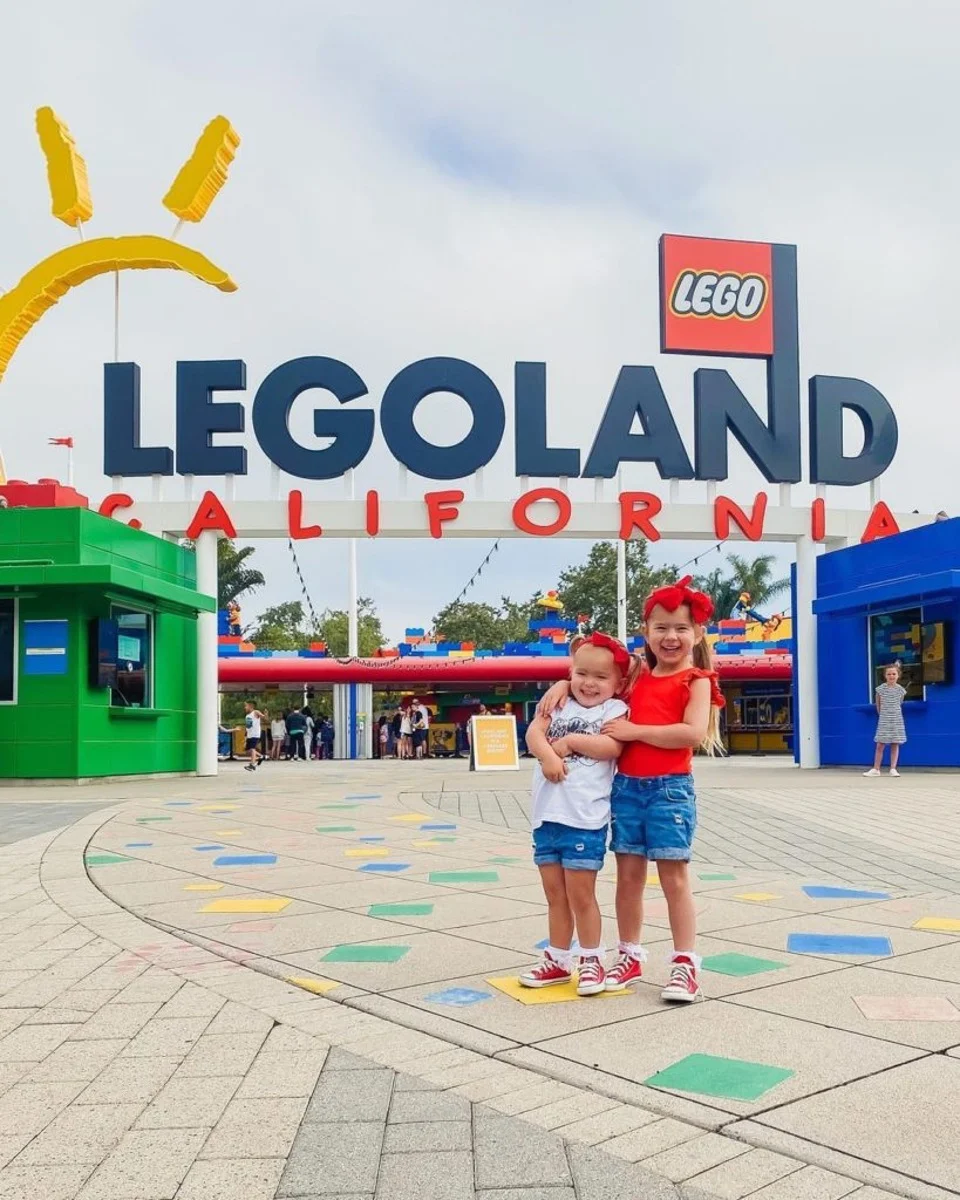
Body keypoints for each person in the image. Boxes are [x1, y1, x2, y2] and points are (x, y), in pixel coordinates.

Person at [538, 576, 725, 1003]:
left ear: (697, 634)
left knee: (674, 877)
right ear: (646, 632)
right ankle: (630, 954)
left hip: (669, 791)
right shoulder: (636, 675)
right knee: (628, 878)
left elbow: (691, 733)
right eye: (660, 627)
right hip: (626, 788)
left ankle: (685, 964)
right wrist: (563, 685)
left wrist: (634, 730)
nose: (671, 636)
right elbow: (596, 678)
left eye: (681, 628)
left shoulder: (696, 679)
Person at [520, 634, 628, 996]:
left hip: (584, 818)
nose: (589, 683)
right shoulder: (559, 701)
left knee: (582, 895)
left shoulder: (613, 710)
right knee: (555, 895)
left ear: (617, 683)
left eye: (600, 677)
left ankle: (592, 959)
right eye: (581, 673)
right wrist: (549, 756)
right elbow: (534, 732)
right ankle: (558, 958)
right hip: (546, 817)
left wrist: (571, 743)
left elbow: (612, 747)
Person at [864, 664, 907, 777]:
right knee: (880, 744)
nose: (891, 676)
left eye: (894, 674)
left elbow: (900, 703)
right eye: (889, 674)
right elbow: (878, 705)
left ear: (898, 675)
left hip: (896, 720)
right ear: (885, 676)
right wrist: (882, 715)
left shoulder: (901, 690)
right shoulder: (880, 689)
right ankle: (876, 768)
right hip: (884, 719)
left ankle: (893, 768)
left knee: (895, 743)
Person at [243, 701, 265, 772]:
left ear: (251, 706)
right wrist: (245, 737)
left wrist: (265, 714)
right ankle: (261, 756)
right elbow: (247, 727)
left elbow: (263, 717)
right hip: (249, 735)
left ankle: (252, 765)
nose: (244, 708)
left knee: (252, 749)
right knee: (247, 751)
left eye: (246, 706)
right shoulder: (247, 716)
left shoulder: (255, 712)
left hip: (255, 734)